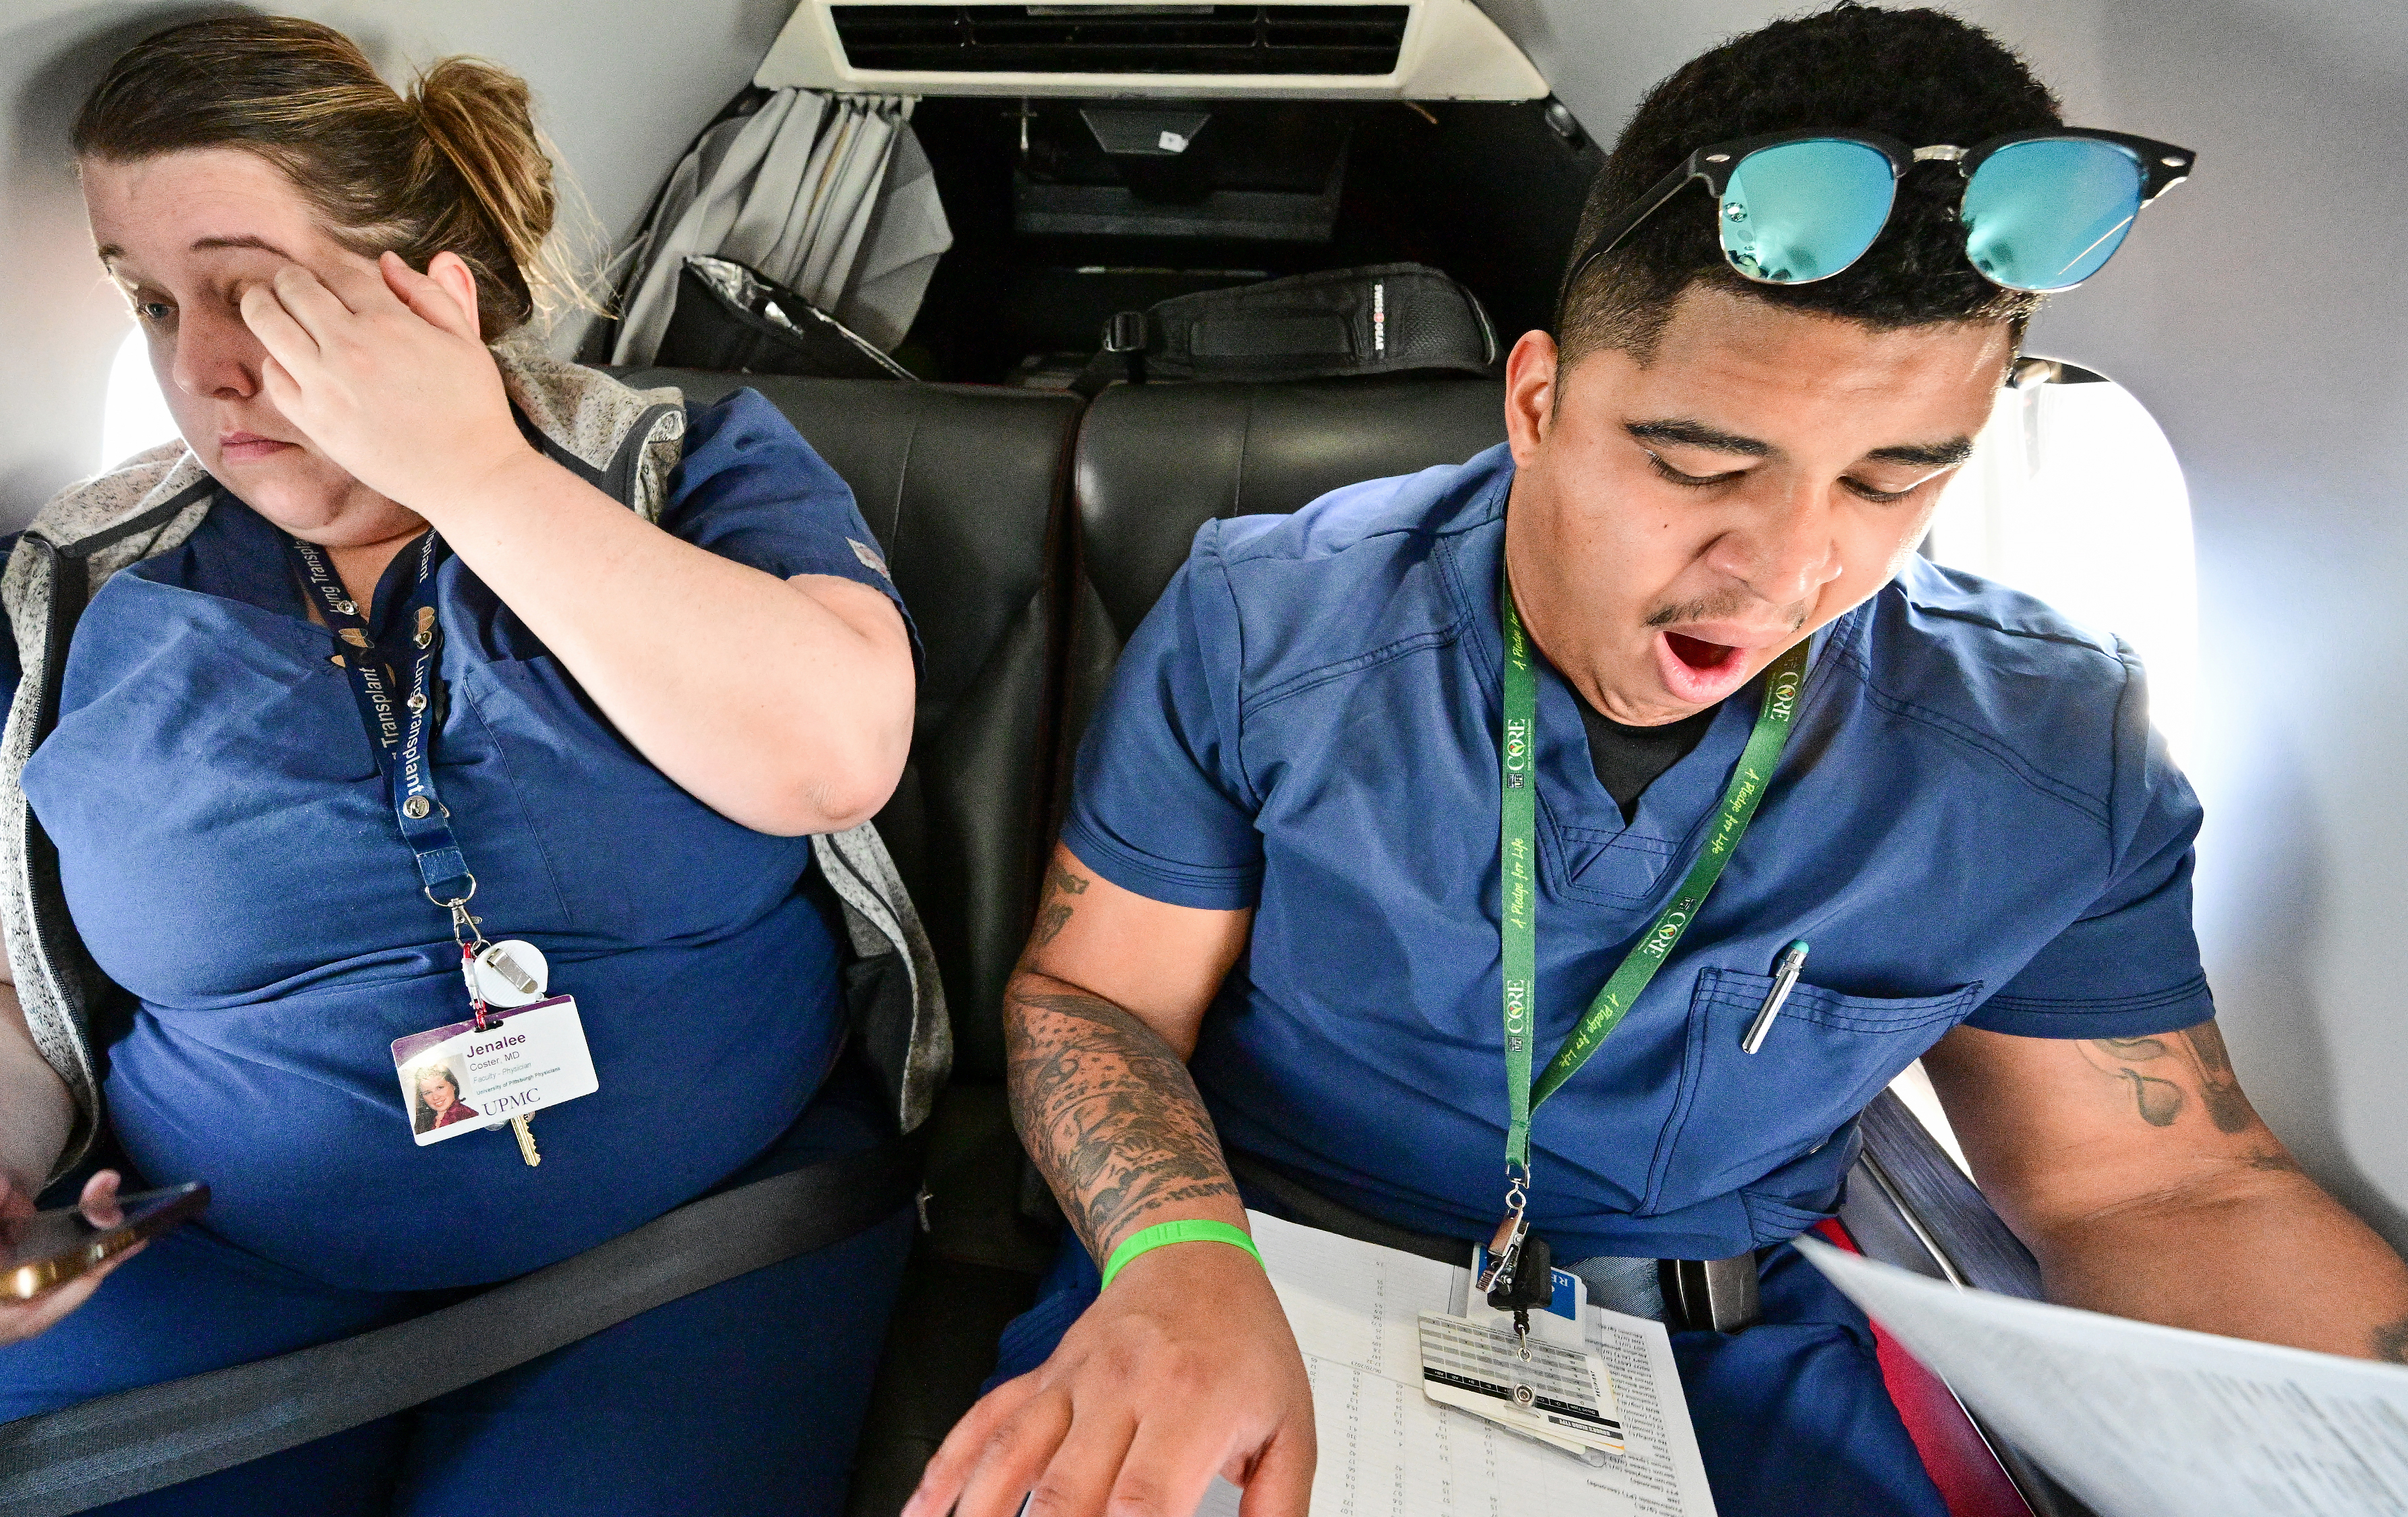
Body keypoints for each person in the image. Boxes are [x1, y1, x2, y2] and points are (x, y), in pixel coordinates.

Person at [908, 10, 2408, 1517]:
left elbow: (2153, 1189)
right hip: (1252, 1273)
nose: (1785, 569)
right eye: (1699, 467)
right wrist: (1176, 1256)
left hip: (1725, 1354)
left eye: (1895, 484)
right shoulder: (1268, 625)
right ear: (1536, 405)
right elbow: (1090, 1001)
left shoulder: (2045, 749)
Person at [0, 16, 918, 1516]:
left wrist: (471, 468)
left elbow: (831, 753)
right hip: (212, 1259)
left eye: (252, 290)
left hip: (690, 1239)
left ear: (426, 291)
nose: (198, 367)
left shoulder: (687, 472)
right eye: (145, 302)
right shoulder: (40, 601)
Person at [411, 1064, 477, 1135]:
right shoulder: (424, 1122)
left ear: (453, 1086)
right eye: (428, 1093)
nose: (435, 1097)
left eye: (440, 1088)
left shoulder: (468, 1115)